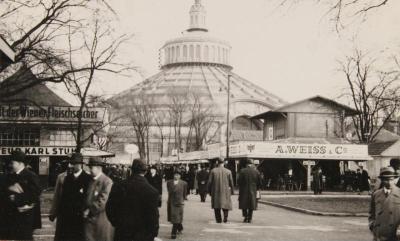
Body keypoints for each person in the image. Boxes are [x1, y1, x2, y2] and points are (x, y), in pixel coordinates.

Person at [106, 159, 159, 241]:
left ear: (131, 170)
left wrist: (117, 223)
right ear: (145, 171)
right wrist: (152, 234)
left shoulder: (118, 186)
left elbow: (109, 208)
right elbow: (153, 218)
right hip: (143, 235)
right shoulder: (152, 191)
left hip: (122, 232)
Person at [0, 150, 42, 241]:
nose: (10, 165)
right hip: (14, 217)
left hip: (26, 217)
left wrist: (17, 198)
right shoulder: (11, 176)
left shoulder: (31, 176)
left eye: (12, 163)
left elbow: (35, 193)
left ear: (20, 163)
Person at [50, 152, 92, 241]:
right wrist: (55, 213)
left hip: (80, 219)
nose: (71, 166)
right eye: (71, 163)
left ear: (80, 165)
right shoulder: (67, 178)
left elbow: (89, 199)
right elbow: (62, 198)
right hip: (66, 217)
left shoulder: (87, 179)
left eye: (74, 164)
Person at [83, 157, 114, 241]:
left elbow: (103, 200)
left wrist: (89, 210)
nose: (89, 170)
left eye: (91, 167)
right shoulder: (90, 180)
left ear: (99, 168)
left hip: (100, 221)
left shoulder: (107, 181)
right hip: (90, 221)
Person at [369, 166, 400, 241]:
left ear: (395, 180)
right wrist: (372, 224)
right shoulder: (376, 194)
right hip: (379, 234)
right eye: (386, 180)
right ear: (382, 180)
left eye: (391, 180)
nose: (389, 182)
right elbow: (372, 212)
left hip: (395, 234)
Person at [207, 158, 234, 223]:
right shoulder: (228, 171)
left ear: (217, 163)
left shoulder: (213, 171)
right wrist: (232, 191)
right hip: (225, 191)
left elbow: (210, 182)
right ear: (223, 163)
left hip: (215, 190)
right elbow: (231, 182)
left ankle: (218, 219)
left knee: (216, 205)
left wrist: (209, 191)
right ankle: (225, 218)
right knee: (226, 204)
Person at [238, 159, 262, 223]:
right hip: (253, 190)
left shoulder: (242, 171)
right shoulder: (256, 172)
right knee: (251, 204)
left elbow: (239, 181)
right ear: (252, 164)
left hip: (244, 190)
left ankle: (245, 216)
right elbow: (260, 182)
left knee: (244, 204)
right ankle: (250, 218)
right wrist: (257, 188)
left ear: (246, 164)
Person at [167, 170, 188, 239]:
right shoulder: (169, 182)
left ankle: (173, 233)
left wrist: (183, 200)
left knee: (176, 217)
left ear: (180, 176)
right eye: (175, 175)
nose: (176, 176)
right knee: (174, 217)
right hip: (171, 202)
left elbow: (185, 193)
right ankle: (180, 227)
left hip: (179, 202)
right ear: (173, 175)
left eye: (178, 175)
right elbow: (169, 191)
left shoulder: (184, 183)